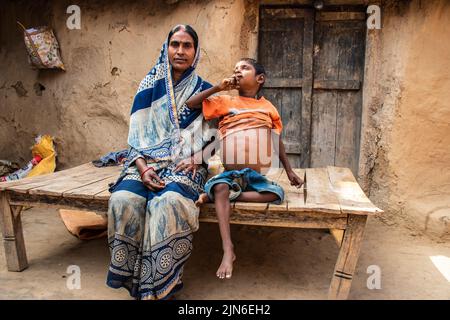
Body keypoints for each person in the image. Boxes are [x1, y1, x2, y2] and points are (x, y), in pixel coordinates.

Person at [106, 25, 215, 300]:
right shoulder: (148, 86)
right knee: (123, 200)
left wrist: (198, 157)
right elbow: (135, 138)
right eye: (175, 44)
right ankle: (135, 281)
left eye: (187, 45)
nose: (180, 51)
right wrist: (142, 168)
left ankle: (163, 283)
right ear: (166, 48)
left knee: (168, 203)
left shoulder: (205, 91)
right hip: (145, 163)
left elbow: (217, 135)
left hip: (184, 165)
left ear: (195, 51)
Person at [186, 58, 304, 280]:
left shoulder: (268, 108)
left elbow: (276, 140)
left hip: (256, 176)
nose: (238, 71)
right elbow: (191, 104)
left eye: (244, 68)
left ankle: (222, 197)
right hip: (231, 174)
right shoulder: (224, 101)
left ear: (260, 79)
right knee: (220, 185)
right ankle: (228, 249)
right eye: (235, 69)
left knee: (276, 194)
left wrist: (289, 171)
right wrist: (219, 87)